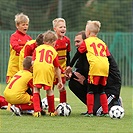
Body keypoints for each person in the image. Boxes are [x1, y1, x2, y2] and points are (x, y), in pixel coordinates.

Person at [67, 31, 122, 116]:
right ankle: (91, 108)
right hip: (94, 86)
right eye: (75, 42)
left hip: (108, 88)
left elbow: (113, 78)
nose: (76, 44)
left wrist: (85, 82)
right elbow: (79, 73)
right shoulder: (83, 56)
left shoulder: (101, 56)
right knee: (73, 83)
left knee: (99, 112)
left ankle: (114, 101)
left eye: (78, 42)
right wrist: (69, 75)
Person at [32, 30, 63, 117]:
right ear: (52, 42)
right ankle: (51, 111)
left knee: (36, 89)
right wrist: (60, 80)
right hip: (48, 69)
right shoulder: (53, 51)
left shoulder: (37, 49)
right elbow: (57, 67)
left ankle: (37, 111)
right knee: (49, 90)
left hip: (37, 68)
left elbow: (33, 62)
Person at [6, 13, 32, 84]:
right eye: (23, 25)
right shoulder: (14, 36)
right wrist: (25, 51)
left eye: (26, 24)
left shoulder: (29, 38)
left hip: (24, 67)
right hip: (14, 66)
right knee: (12, 86)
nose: (25, 26)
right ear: (17, 25)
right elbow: (15, 47)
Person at [52, 18, 71, 103]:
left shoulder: (67, 40)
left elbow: (68, 55)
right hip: (52, 68)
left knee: (62, 87)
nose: (63, 29)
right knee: (50, 87)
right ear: (55, 29)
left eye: (64, 27)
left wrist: (68, 67)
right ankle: (50, 107)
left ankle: (63, 105)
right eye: (60, 27)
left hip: (62, 69)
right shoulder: (52, 41)